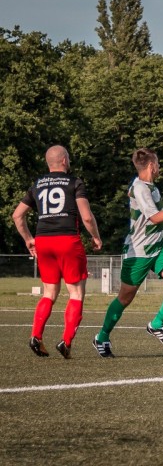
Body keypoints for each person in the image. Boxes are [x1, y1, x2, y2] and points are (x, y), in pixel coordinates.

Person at [93, 148, 163, 358]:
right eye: (158, 163)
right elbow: (155, 217)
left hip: (158, 247)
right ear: (151, 166)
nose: (159, 167)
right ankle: (102, 337)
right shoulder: (140, 188)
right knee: (125, 298)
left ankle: (156, 324)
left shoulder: (149, 187)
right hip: (138, 251)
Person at [12, 145, 103, 359]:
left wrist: (28, 239)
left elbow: (17, 216)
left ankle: (36, 336)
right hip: (67, 240)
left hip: (43, 241)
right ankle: (66, 341)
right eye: (68, 158)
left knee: (49, 293)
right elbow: (86, 216)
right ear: (64, 160)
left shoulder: (37, 184)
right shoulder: (74, 182)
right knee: (76, 294)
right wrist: (96, 236)